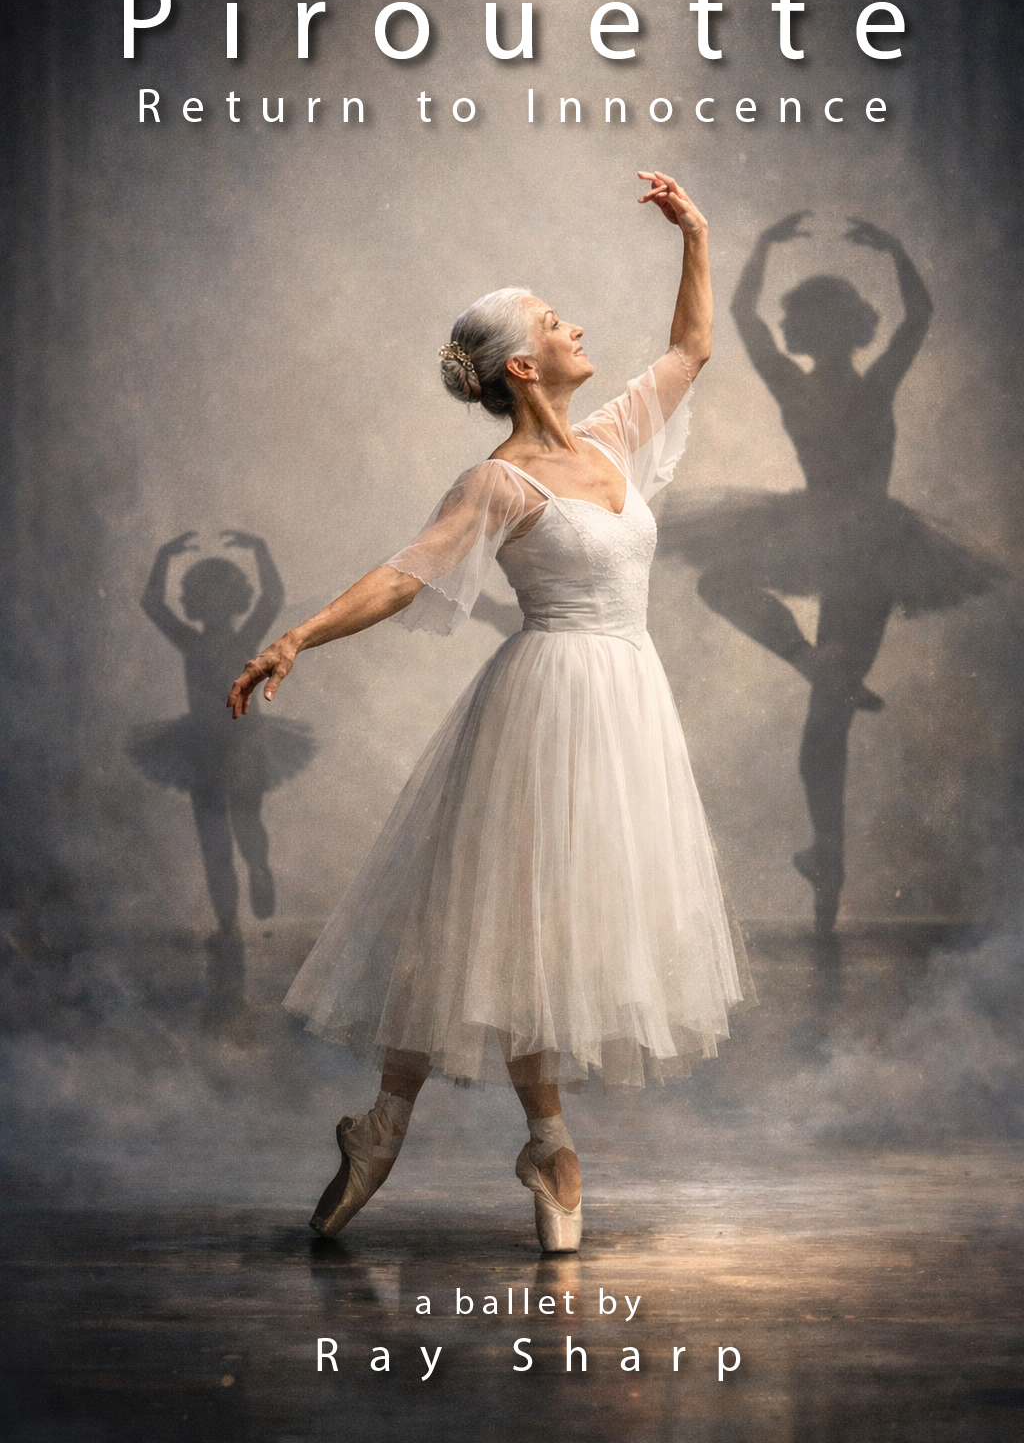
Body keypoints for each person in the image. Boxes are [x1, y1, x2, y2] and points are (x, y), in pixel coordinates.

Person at [227, 173, 751, 1252]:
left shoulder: (611, 442)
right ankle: (536, 1147)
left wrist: (695, 234)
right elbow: (402, 576)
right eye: (556, 322)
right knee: (509, 924)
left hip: (627, 705)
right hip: (546, 707)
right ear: (522, 365)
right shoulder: (499, 483)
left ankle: (395, 1126)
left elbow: (692, 348)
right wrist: (297, 636)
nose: (576, 328)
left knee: (536, 927)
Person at [658, 214, 1005, 938]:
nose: (798, 331)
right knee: (822, 713)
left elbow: (749, 318)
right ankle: (827, 840)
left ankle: (828, 852)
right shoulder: (864, 384)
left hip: (845, 540)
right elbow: (911, 318)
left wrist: (766, 250)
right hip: (857, 541)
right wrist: (893, 251)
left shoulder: (813, 385)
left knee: (790, 673)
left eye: (806, 321)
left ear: (823, 331)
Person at [130, 531, 315, 1010]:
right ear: (197, 604)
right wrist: (163, 556)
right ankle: (228, 925)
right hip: (204, 745)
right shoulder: (194, 641)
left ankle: (257, 869)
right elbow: (152, 604)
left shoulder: (242, 639)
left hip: (242, 743)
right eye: (204, 598)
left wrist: (260, 548)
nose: (212, 606)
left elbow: (272, 598)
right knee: (214, 839)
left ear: (233, 601)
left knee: (244, 823)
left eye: (219, 597)